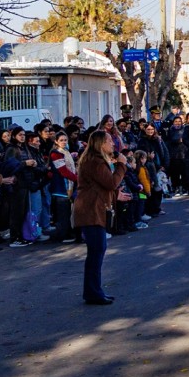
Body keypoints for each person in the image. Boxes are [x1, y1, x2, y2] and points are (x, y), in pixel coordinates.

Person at [73, 130, 126, 305]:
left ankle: (94, 290)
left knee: (97, 251)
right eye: (109, 141)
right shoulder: (94, 162)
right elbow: (110, 182)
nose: (113, 144)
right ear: (100, 144)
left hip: (95, 208)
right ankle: (93, 292)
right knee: (96, 252)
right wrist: (121, 166)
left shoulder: (95, 161)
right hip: (90, 210)